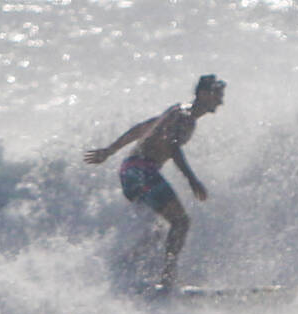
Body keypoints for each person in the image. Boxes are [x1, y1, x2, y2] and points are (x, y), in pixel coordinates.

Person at [85, 74, 226, 292]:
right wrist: (192, 180)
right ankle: (168, 279)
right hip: (142, 171)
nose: (220, 101)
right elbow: (172, 146)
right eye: (217, 95)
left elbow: (143, 128)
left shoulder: (177, 111)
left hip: (129, 171)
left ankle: (124, 272)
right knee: (181, 222)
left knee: (156, 232)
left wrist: (110, 151)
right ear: (204, 94)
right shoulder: (185, 116)